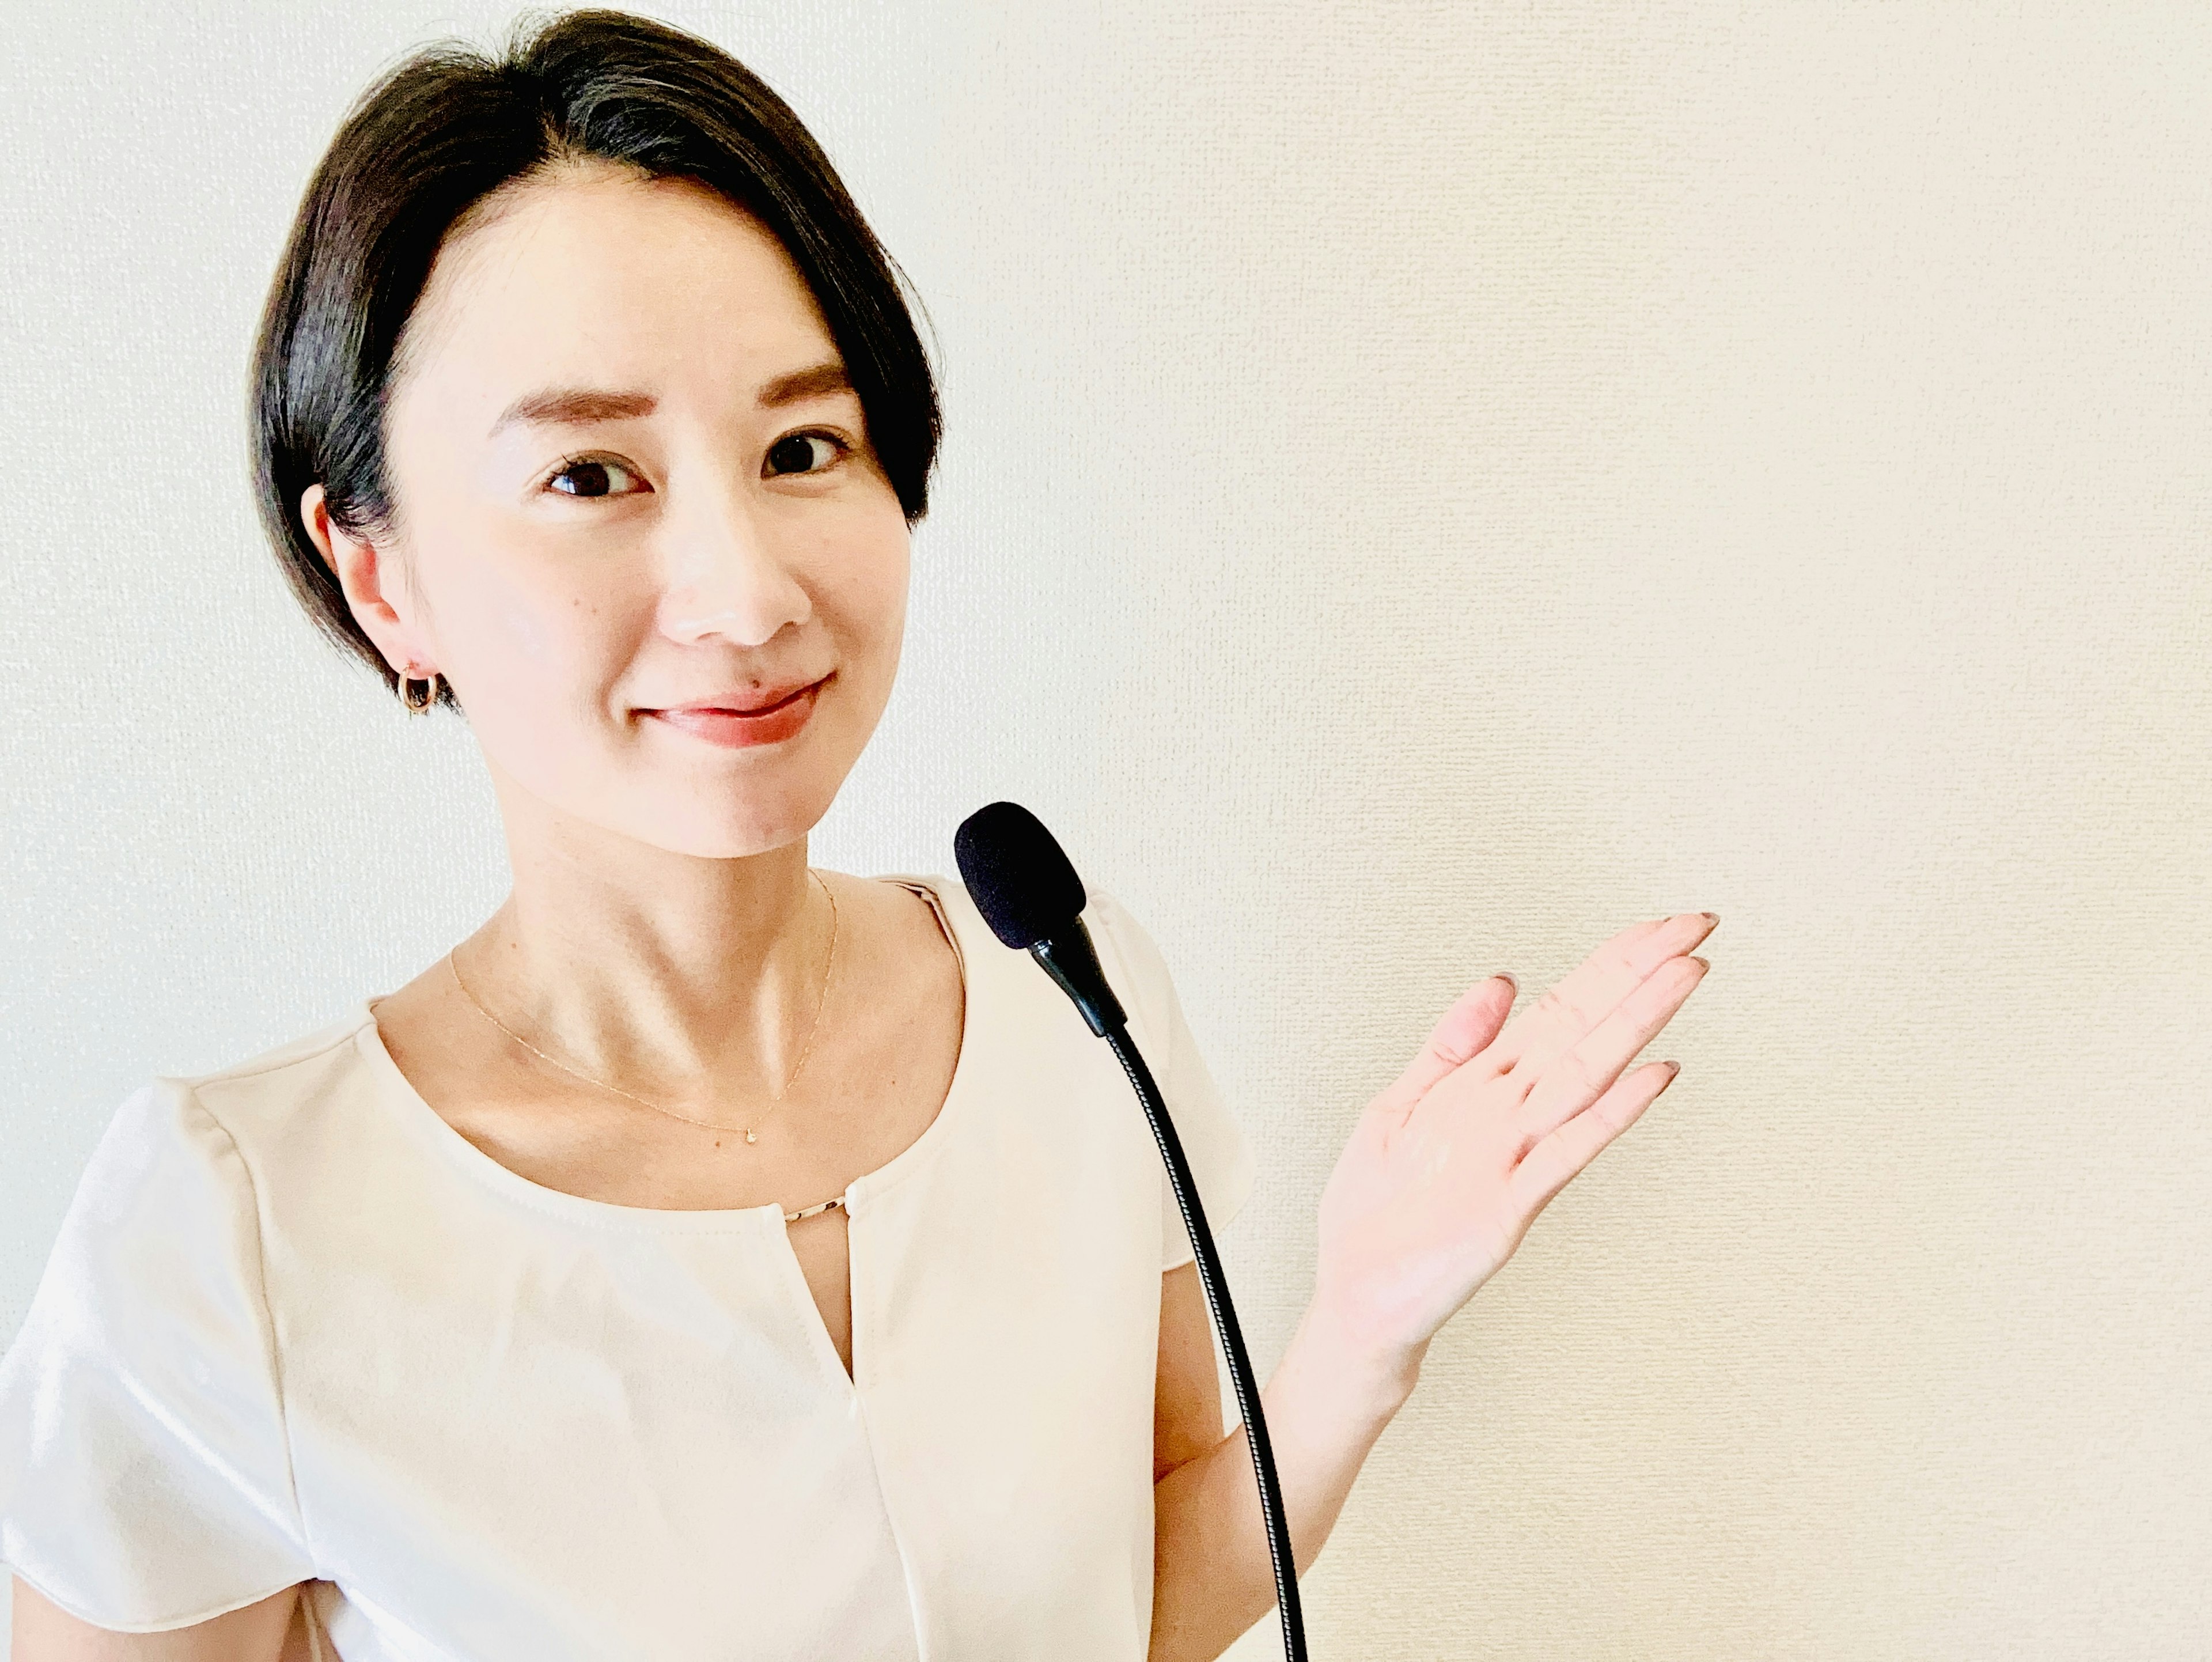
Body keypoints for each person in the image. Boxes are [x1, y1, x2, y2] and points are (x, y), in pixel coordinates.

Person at [0, 9, 1715, 1659]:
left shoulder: (1070, 992)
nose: (747, 595)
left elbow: (1134, 1604)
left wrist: (1356, 1337)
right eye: (592, 477)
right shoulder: (230, 1228)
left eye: (806, 445)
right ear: (382, 576)